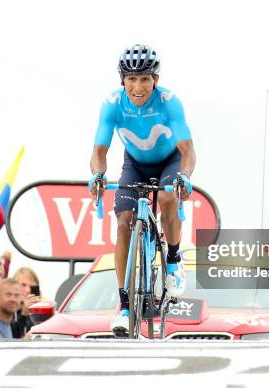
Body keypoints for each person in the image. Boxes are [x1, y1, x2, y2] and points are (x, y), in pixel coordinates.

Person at [88, 44, 196, 334]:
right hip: (134, 163)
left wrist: (184, 176)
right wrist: (98, 174)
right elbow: (99, 150)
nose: (138, 87)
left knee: (167, 196)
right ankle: (124, 306)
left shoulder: (169, 102)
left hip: (169, 161)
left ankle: (173, 258)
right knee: (123, 222)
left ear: (155, 80)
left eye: (145, 79)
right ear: (122, 80)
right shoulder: (112, 104)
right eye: (132, 79)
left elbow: (188, 151)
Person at [11, 267, 42, 337]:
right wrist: (24, 314)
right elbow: (13, 337)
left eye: (31, 287)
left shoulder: (37, 311)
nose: (28, 290)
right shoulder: (9, 309)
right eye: (23, 285)